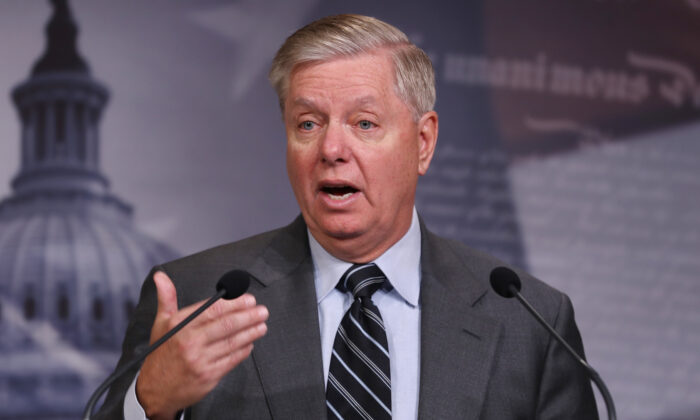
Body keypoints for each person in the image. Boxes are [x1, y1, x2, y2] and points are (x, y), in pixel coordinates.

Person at [95, 14, 598, 420]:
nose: (332, 148)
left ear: (423, 143)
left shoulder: (528, 321)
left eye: (364, 123)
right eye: (307, 123)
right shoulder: (196, 297)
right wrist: (150, 404)